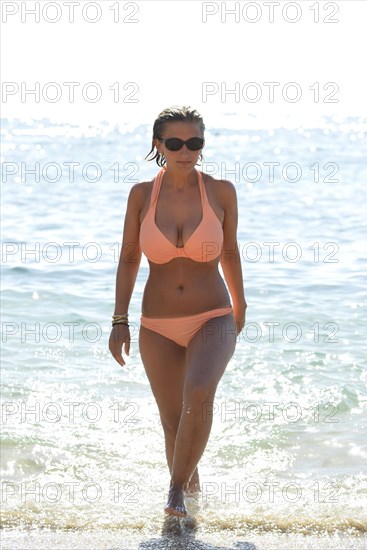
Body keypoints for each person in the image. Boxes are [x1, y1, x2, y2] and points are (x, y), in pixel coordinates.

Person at [109, 106, 247, 518]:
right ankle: (190, 512)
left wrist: (241, 305)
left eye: (194, 143)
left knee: (199, 395)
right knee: (173, 422)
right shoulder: (141, 195)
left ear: (202, 146)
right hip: (158, 323)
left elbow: (231, 251)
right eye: (175, 143)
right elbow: (129, 258)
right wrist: (120, 320)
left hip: (213, 315)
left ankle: (173, 492)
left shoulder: (221, 191)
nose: (185, 151)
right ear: (158, 145)